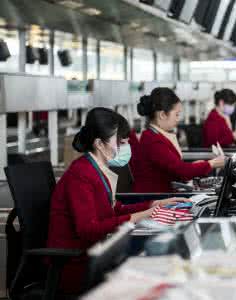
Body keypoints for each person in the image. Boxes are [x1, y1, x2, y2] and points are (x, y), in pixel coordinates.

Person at [47, 108, 187, 293]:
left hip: (95, 254)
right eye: (119, 141)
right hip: (75, 263)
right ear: (99, 143)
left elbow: (112, 209)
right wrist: (143, 215)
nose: (124, 145)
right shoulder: (81, 175)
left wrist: (152, 205)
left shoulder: (96, 168)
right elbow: (88, 229)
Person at [133, 88, 225, 193]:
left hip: (164, 194)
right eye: (176, 114)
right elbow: (182, 171)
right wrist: (211, 164)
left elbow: (174, 168)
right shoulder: (153, 141)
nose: (178, 119)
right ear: (162, 115)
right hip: (154, 199)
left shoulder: (156, 135)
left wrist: (194, 166)